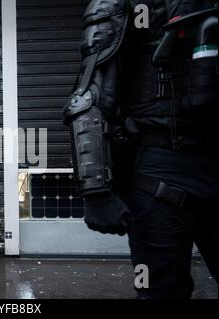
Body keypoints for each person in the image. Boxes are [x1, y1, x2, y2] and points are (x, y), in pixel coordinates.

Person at [63, 0, 217, 299]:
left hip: (180, 168)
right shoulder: (128, 5)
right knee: (156, 290)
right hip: (158, 176)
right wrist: (96, 192)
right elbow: (89, 99)